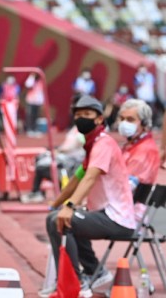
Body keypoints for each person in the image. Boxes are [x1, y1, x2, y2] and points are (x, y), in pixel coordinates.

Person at [40, 96, 136, 298]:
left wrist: (69, 206)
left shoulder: (104, 144)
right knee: (59, 217)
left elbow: (90, 178)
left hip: (117, 217)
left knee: (63, 219)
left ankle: (75, 282)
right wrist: (55, 204)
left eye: (87, 114)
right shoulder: (92, 146)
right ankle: (94, 271)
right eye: (77, 114)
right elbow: (76, 181)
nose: (80, 118)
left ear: (100, 119)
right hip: (103, 214)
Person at [117, 99, 160, 221]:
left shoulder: (145, 150)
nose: (124, 123)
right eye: (122, 119)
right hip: (119, 208)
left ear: (144, 123)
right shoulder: (130, 146)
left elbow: (125, 188)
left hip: (127, 215)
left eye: (130, 120)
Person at [20, 125, 85, 204]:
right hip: (63, 158)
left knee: (41, 168)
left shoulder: (84, 130)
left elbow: (77, 144)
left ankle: (40, 192)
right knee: (40, 158)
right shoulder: (74, 129)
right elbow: (66, 145)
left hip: (70, 164)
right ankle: (37, 192)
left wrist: (59, 150)